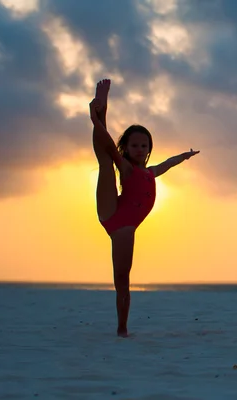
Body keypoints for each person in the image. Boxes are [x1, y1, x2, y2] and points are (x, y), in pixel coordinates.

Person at [90, 78, 199, 337]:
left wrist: (184, 156)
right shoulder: (126, 168)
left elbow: (168, 164)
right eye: (135, 145)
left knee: (123, 281)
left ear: (149, 149)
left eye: (144, 145)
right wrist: (96, 121)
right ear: (126, 148)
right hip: (115, 216)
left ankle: (122, 327)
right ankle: (99, 111)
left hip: (125, 226)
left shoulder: (150, 172)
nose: (140, 149)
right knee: (106, 162)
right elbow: (108, 146)